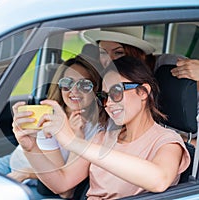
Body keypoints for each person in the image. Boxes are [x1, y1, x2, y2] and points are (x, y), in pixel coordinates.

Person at [12, 56, 191, 199]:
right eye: (104, 96)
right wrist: (31, 148)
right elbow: (62, 184)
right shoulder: (104, 137)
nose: (109, 103)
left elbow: (158, 180)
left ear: (143, 92)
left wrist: (72, 141)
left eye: (116, 92)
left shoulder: (167, 142)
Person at [0, 55, 104, 198]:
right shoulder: (49, 118)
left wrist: (77, 137)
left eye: (84, 85)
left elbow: (65, 189)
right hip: (11, 166)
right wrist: (25, 172)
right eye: (67, 83)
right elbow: (57, 174)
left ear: (96, 88)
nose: (74, 91)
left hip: (34, 181)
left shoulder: (100, 129)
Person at [84, 26, 199, 146]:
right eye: (103, 53)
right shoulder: (104, 82)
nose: (109, 60)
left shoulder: (168, 67)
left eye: (118, 52)